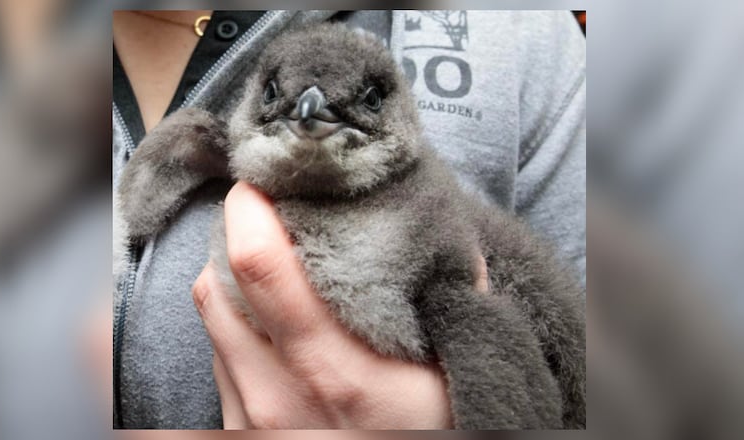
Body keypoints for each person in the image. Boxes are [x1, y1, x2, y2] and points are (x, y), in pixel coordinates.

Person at [112, 10, 586, 429]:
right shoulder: (205, 143)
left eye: (370, 101)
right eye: (276, 94)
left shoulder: (525, 31)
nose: (310, 109)